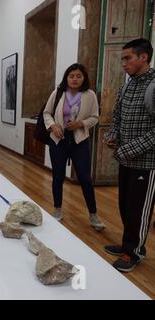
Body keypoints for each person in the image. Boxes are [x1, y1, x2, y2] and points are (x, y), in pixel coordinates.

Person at [103, 38, 155, 273]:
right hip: (125, 160)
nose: (123, 63)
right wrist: (113, 135)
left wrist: (131, 148)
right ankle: (128, 243)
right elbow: (118, 115)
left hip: (146, 162)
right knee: (125, 205)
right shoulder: (128, 85)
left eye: (127, 58)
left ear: (143, 57)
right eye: (122, 58)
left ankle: (133, 252)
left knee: (139, 209)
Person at [43, 63, 105, 231]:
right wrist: (53, 126)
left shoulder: (90, 95)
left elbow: (95, 117)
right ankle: (57, 209)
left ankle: (93, 215)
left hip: (80, 140)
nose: (75, 79)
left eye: (78, 76)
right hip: (59, 140)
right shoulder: (58, 93)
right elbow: (47, 113)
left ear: (83, 77)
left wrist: (81, 123)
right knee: (58, 176)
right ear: (66, 78)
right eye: (71, 76)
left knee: (85, 178)